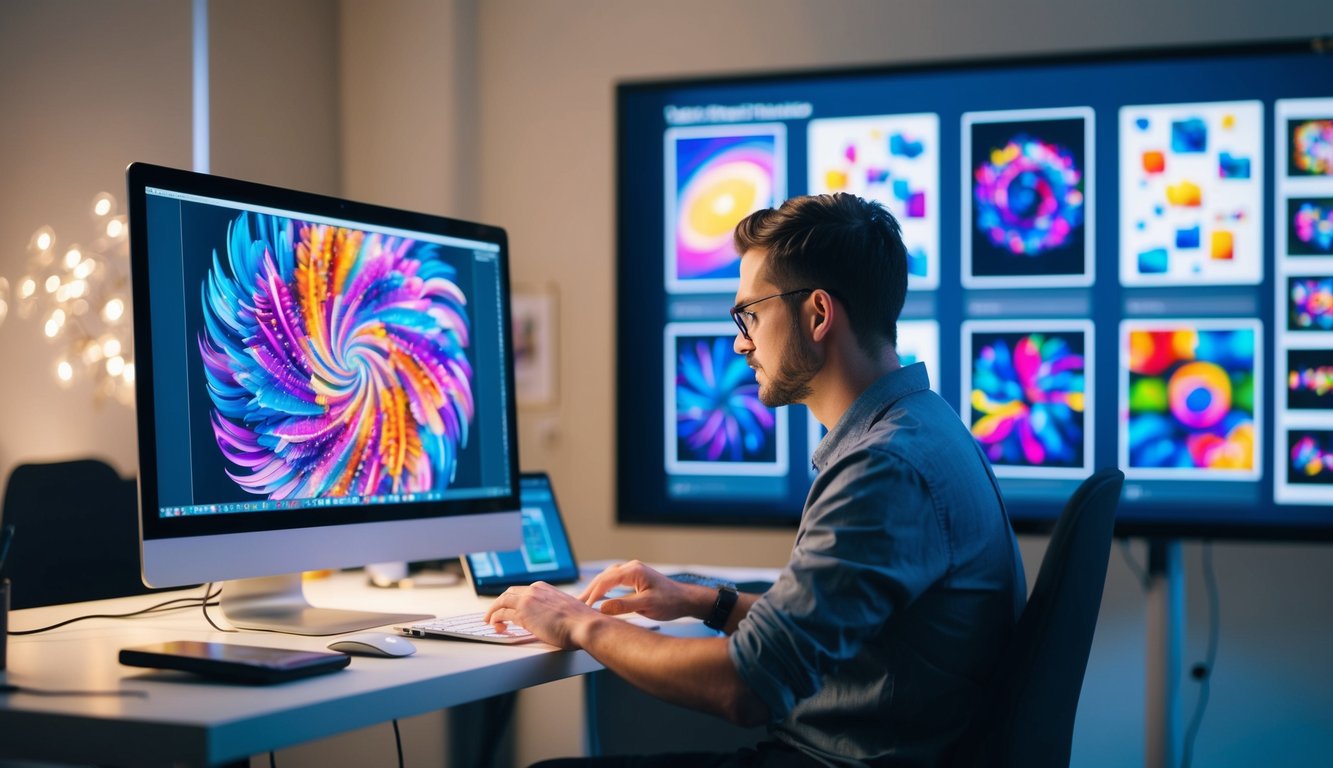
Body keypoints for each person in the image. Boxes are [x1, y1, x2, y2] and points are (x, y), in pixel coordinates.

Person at [484, 193, 1025, 767]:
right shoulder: (925, 425)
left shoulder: (882, 468)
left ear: (818, 314)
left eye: (751, 314)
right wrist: (703, 601)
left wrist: (579, 623)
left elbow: (745, 687)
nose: (742, 341)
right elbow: (819, 628)